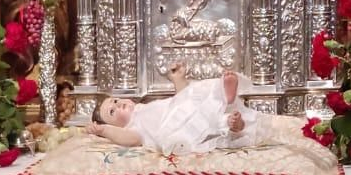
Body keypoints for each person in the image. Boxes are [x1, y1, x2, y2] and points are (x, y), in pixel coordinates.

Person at [89, 62, 278, 152]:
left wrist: (178, 79)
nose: (118, 104)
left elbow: (181, 100)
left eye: (114, 101)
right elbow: (128, 140)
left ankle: (223, 96)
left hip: (180, 110)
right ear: (117, 126)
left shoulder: (145, 107)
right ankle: (233, 124)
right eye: (112, 112)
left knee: (195, 94)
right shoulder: (134, 128)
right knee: (205, 126)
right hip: (176, 130)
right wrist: (104, 131)